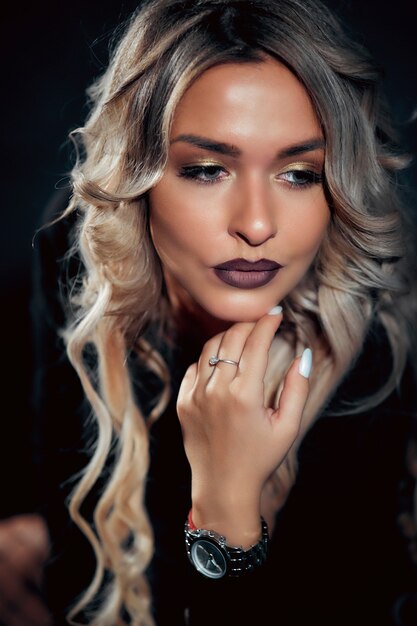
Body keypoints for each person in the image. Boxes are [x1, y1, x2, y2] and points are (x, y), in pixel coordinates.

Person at [31, 0, 417, 624]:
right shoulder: (76, 258)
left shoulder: (366, 346)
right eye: (208, 169)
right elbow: (69, 547)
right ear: (138, 177)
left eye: (299, 174)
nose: (258, 225)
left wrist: (229, 510)